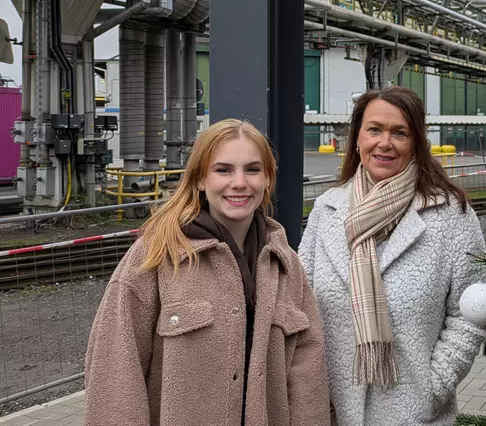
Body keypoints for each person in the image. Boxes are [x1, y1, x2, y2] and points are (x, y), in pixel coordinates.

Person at [84, 119, 329, 426]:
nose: (239, 182)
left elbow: (308, 373)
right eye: (223, 170)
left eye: (252, 169)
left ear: (268, 178)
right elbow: (115, 370)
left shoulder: (285, 265)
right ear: (200, 179)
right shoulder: (158, 255)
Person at [298, 86, 486, 426]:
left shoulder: (450, 215)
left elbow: (471, 314)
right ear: (357, 138)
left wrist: (431, 390)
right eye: (374, 129)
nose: (384, 143)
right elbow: (301, 307)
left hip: (412, 414)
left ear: (416, 142)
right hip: (330, 412)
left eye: (399, 133)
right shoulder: (326, 211)